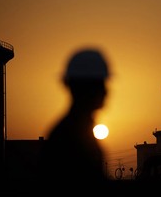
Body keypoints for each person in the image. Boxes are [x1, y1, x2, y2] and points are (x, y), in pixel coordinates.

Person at [37, 47, 111, 195]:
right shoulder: (69, 138)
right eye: (100, 83)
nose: (106, 91)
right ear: (83, 88)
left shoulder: (77, 131)